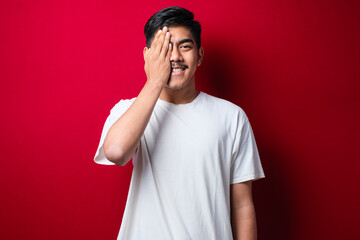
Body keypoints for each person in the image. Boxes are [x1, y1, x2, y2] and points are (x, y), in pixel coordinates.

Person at [94, 6, 265, 240]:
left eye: (184, 46)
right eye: (163, 49)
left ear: (200, 55)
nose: (174, 57)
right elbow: (116, 152)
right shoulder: (127, 110)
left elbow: (242, 205)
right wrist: (155, 80)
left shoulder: (232, 117)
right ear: (148, 56)